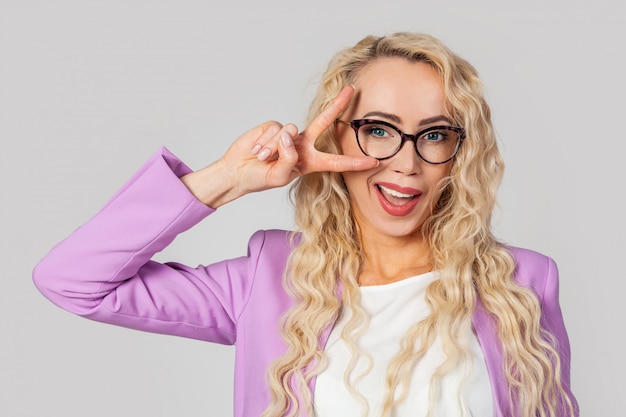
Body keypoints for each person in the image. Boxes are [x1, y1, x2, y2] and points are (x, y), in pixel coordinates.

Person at [33, 32, 578, 417]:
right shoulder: (267, 281)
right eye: (379, 130)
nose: (406, 164)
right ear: (336, 135)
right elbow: (72, 281)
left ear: (460, 153)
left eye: (434, 135)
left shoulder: (521, 285)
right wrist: (228, 179)